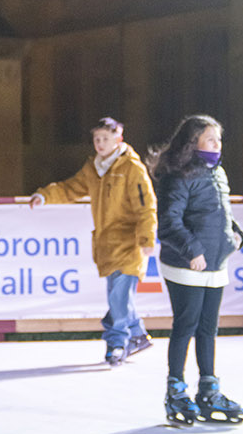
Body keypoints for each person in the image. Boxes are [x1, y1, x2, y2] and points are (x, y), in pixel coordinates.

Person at [30, 116, 157, 366]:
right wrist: (45, 196)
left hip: (129, 242)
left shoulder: (132, 168)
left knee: (119, 297)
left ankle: (117, 343)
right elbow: (71, 188)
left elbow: (146, 204)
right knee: (119, 296)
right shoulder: (94, 168)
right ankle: (138, 334)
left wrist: (147, 237)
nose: (99, 144)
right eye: (96, 139)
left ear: (118, 138)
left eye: (105, 139)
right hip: (106, 243)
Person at [147, 114, 243, 424]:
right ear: (193, 143)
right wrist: (192, 250)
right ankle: (176, 390)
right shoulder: (178, 176)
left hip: (215, 263)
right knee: (186, 325)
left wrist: (235, 234)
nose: (218, 145)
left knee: (208, 329)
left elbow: (218, 213)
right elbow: (168, 224)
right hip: (186, 264)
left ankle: (208, 390)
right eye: (211, 139)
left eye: (219, 139)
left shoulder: (217, 173)